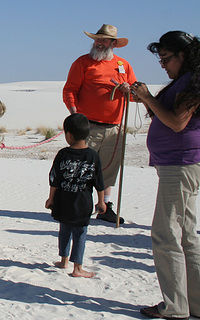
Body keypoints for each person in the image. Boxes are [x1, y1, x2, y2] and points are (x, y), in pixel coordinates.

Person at [129, 31, 200, 320]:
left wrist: (148, 97)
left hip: (179, 165)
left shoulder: (193, 81)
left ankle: (175, 306)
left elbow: (176, 122)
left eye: (166, 58)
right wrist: (144, 100)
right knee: (186, 236)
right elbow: (165, 115)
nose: (163, 64)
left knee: (166, 234)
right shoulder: (186, 81)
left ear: (183, 55)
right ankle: (193, 303)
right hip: (179, 164)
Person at [63, 24, 137, 224]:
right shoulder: (83, 63)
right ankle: (77, 205)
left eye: (104, 40)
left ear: (114, 43)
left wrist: (128, 89)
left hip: (115, 128)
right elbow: (70, 89)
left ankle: (105, 207)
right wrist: (74, 113)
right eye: (97, 39)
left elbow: (134, 95)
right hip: (88, 126)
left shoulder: (124, 65)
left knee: (109, 169)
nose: (100, 43)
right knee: (82, 168)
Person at [45, 113, 106, 278]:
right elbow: (99, 181)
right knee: (79, 234)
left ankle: (64, 260)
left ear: (69, 135)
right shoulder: (93, 156)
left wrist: (51, 198)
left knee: (64, 231)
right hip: (82, 203)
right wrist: (102, 201)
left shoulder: (63, 154)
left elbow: (54, 179)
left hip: (63, 202)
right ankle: (76, 267)